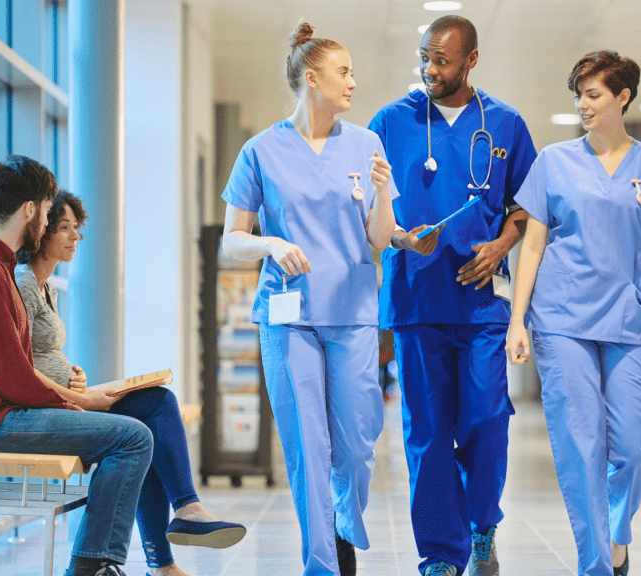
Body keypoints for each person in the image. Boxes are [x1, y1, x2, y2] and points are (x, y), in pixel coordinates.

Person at [505, 51, 641, 576]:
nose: (582, 104)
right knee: (580, 446)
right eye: (578, 94)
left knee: (637, 449)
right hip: (561, 322)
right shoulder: (554, 162)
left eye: (593, 94)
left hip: (628, 325)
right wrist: (518, 320)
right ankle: (595, 564)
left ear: (623, 97)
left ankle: (614, 530)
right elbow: (535, 248)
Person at [219, 22, 397, 576]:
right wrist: (270, 242)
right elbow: (231, 241)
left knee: (356, 445)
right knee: (307, 451)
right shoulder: (260, 150)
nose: (353, 81)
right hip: (287, 317)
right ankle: (323, 564)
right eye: (343, 72)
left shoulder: (367, 144)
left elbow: (380, 240)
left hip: (352, 316)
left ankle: (344, 519)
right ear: (312, 78)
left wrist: (385, 191)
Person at [368, 15, 536, 576]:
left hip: (484, 304)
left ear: (471, 60)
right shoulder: (390, 123)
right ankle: (441, 555)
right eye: (424, 57)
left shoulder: (506, 124)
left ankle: (483, 523)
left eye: (442, 60)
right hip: (416, 301)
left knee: (488, 420)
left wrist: (501, 243)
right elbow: (369, 210)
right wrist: (396, 236)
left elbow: (526, 208)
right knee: (428, 434)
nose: (430, 70)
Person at [14, 190, 246, 576]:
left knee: (157, 403)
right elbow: (20, 364)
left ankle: (172, 543)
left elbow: (41, 353)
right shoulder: (22, 281)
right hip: (47, 408)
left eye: (77, 229)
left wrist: (76, 376)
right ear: (42, 232)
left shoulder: (48, 287)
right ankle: (178, 522)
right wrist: (80, 396)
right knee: (141, 429)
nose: (74, 237)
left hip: (66, 398)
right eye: (65, 228)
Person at [0, 155, 153, 576]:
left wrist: (76, 400)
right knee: (132, 438)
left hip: (10, 412)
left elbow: (19, 371)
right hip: (0, 422)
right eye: (46, 212)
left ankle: (102, 563)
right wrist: (79, 402)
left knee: (144, 418)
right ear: (29, 210)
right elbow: (15, 379)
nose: (45, 222)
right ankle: (92, 567)